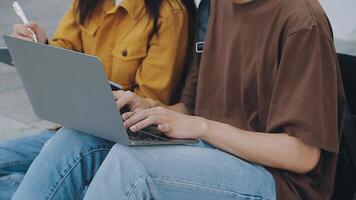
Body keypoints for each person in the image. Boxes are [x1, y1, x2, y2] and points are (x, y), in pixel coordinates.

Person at [11, 0, 344, 199]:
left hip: (277, 181)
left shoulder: (302, 21)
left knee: (133, 167)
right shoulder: (215, 8)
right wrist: (148, 108)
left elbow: (303, 156)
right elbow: (191, 107)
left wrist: (201, 126)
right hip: (212, 149)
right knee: (79, 135)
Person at [0, 0, 196, 199]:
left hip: (119, 138)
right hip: (74, 127)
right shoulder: (86, 3)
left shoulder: (168, 11)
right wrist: (38, 47)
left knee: (45, 181)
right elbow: (65, 50)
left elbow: (150, 103)